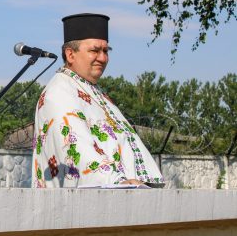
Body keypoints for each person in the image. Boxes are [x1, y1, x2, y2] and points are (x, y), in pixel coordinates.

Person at [31, 13, 163, 188]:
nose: (103, 58)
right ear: (70, 55)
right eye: (95, 50)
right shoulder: (59, 93)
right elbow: (76, 147)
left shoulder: (95, 92)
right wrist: (117, 182)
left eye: (105, 51)